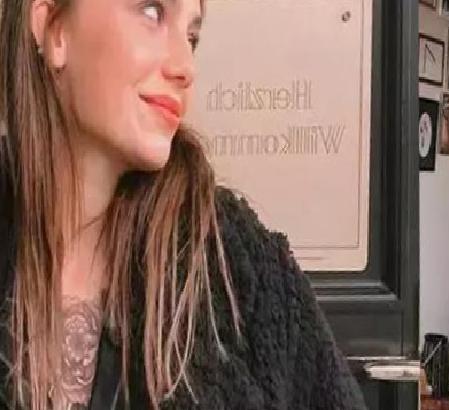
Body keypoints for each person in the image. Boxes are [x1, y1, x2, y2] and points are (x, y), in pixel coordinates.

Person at [0, 0, 367, 409]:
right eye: (152, 12)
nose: (185, 67)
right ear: (53, 28)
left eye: (192, 37)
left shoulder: (232, 263)